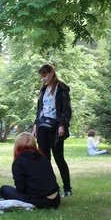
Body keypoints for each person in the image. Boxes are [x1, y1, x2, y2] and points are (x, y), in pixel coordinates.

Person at [32, 64, 73, 197]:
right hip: (42, 127)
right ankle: (50, 188)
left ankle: (67, 189)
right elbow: (39, 110)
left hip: (55, 129)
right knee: (44, 159)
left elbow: (66, 110)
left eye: (44, 76)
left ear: (51, 73)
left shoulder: (61, 88)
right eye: (41, 77)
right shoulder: (43, 90)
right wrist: (35, 126)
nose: (42, 79)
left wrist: (62, 125)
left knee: (59, 158)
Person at [0, 133, 61, 209]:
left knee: (4, 189)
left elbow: (20, 188)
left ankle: (28, 204)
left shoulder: (19, 162)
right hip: (55, 199)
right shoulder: (42, 157)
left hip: (39, 200)